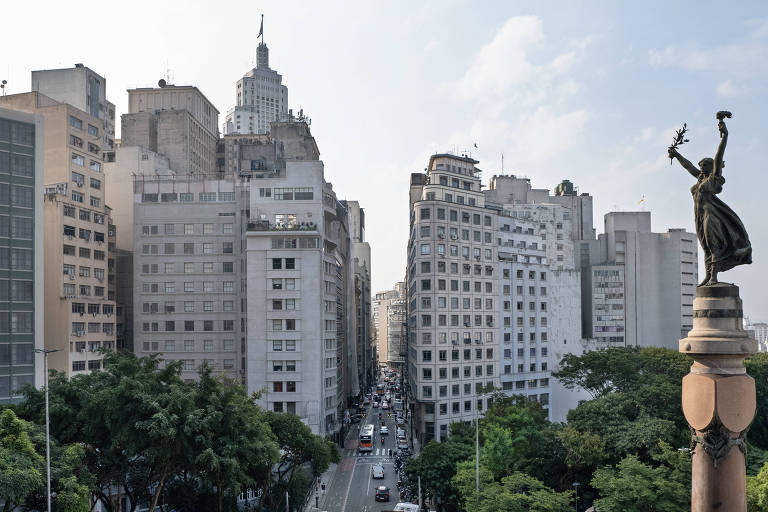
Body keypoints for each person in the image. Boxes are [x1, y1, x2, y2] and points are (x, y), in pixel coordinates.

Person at [668, 115, 751, 285]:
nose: (700, 168)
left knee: (713, 245)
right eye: (700, 167)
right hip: (698, 216)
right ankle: (708, 276)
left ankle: (713, 277)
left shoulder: (713, 178)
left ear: (710, 167)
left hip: (710, 214)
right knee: (705, 246)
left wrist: (725, 136)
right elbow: (688, 165)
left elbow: (719, 155)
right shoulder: (699, 178)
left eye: (704, 166)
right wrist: (676, 155)